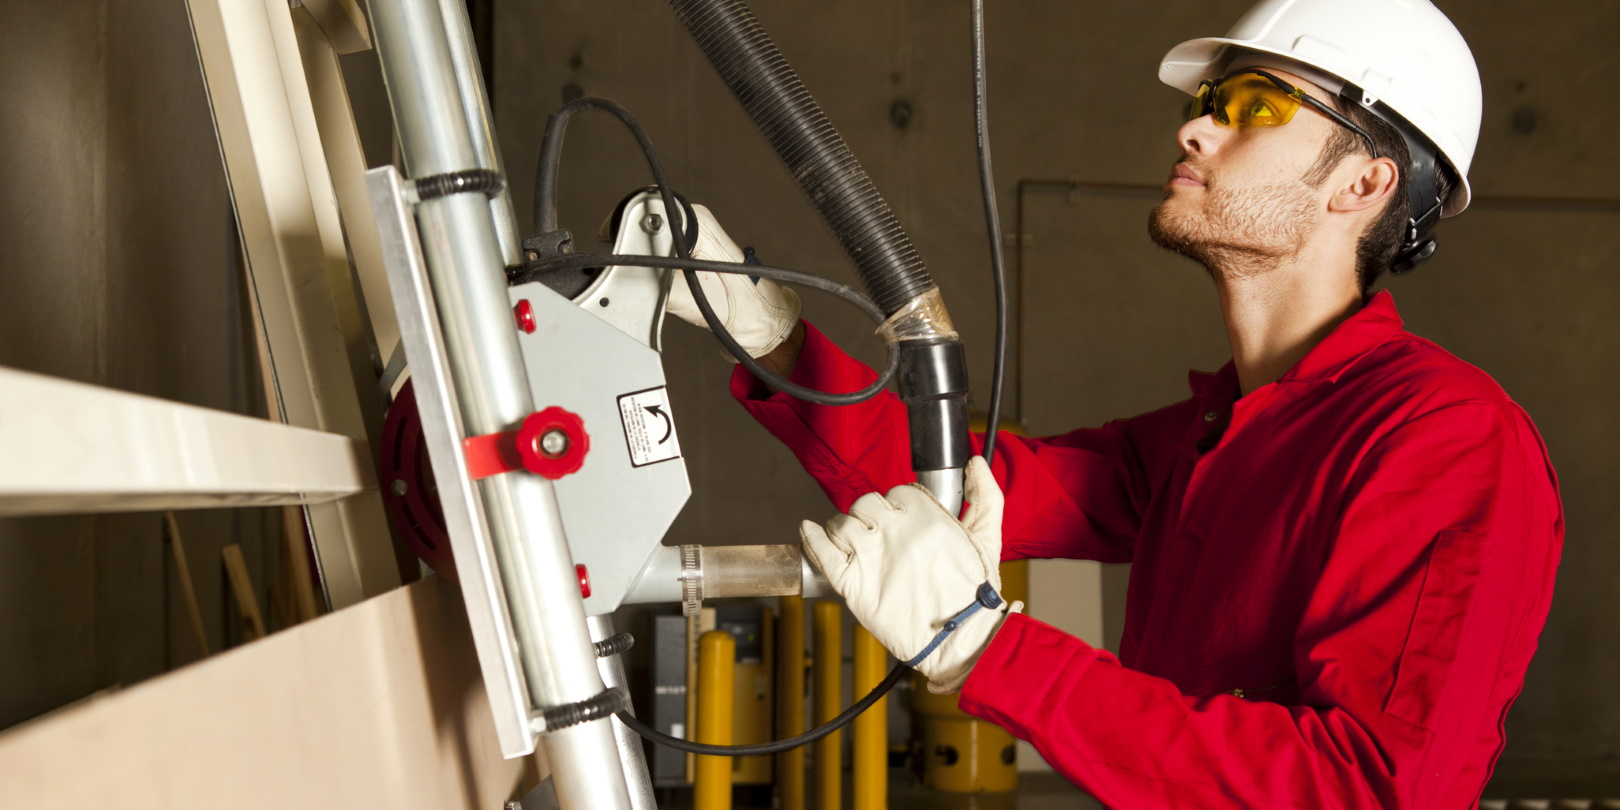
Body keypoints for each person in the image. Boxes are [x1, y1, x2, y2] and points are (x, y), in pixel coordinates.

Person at [666, 0, 1563, 806]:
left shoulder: (1446, 438)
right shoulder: (1218, 435)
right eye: (1208, 102)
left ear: (1363, 184)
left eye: (1256, 106)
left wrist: (985, 648)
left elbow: (1368, 789)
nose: (1196, 129)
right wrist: (765, 330)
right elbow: (958, 479)